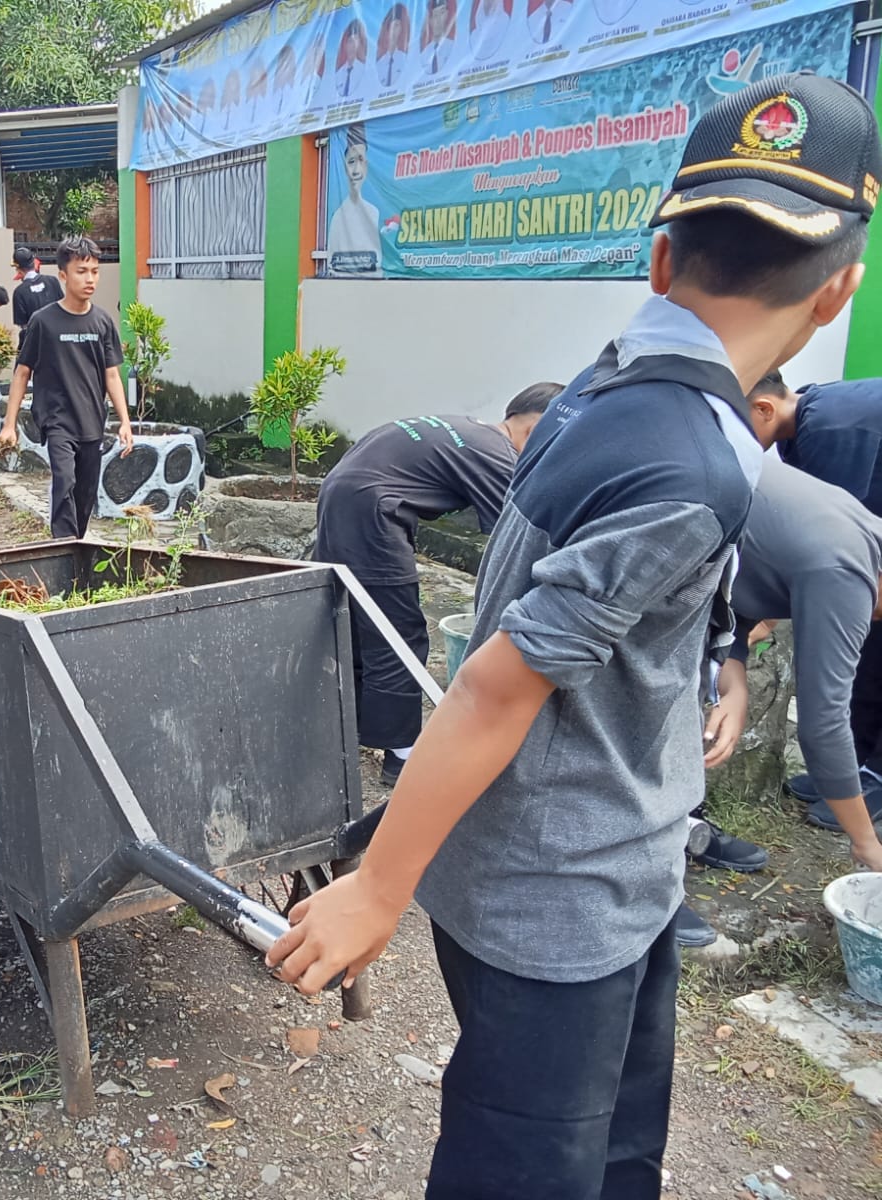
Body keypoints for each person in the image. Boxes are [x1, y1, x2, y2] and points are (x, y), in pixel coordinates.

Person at [267, 73, 879, 1198]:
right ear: (836, 293)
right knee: (530, 1168)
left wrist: (725, 658)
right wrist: (377, 886)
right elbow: (497, 688)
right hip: (552, 895)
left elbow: (656, 582)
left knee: (616, 1152)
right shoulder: (688, 459)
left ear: (657, 265)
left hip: (619, 867)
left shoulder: (608, 393)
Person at [675, 454, 882, 946]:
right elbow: (823, 723)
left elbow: (743, 575)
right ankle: (643, 892)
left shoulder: (865, 531)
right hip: (643, 556)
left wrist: (736, 681)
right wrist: (866, 842)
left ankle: (680, 829)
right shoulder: (846, 573)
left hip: (685, 550)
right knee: (642, 722)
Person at [315, 383, 560, 784]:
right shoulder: (498, 455)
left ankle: (346, 727)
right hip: (372, 512)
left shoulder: (467, 429)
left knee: (355, 621)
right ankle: (403, 755)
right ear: (536, 432)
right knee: (397, 633)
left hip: (343, 495)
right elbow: (521, 540)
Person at [737, 370, 882, 808]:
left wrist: (763, 618)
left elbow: (828, 545)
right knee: (865, 644)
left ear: (763, 408)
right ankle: (850, 771)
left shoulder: (829, 427)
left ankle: (875, 778)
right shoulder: (800, 431)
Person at [0, 236, 134, 539]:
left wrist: (124, 421)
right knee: (64, 481)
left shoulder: (102, 322)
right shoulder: (43, 322)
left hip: (92, 422)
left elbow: (111, 375)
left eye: (95, 271)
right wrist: (10, 425)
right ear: (63, 276)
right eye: (82, 271)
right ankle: (62, 550)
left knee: (85, 495)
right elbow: (22, 373)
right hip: (57, 419)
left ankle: (77, 549)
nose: (90, 279)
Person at [326, 125, 382, 276]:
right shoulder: (337, 219)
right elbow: (332, 268)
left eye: (361, 160)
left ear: (367, 166)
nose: (356, 170)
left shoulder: (374, 213)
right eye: (351, 162)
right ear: (344, 167)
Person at [10, 247, 63, 341]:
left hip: (36, 342)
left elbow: (23, 325)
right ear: (33, 263)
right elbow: (63, 307)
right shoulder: (52, 281)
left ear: (18, 269)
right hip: (59, 337)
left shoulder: (19, 292)